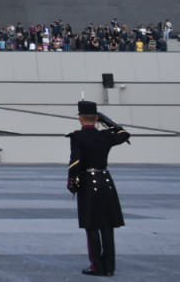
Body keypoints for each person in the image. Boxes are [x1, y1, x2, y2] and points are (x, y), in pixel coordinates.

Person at [68, 100, 129, 276]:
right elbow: (124, 134)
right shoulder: (105, 136)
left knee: (92, 225)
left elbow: (75, 162)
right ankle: (109, 267)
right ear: (96, 118)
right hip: (105, 181)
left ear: (80, 118)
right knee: (107, 225)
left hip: (88, 183)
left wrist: (72, 182)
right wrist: (108, 122)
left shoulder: (77, 137)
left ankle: (97, 266)